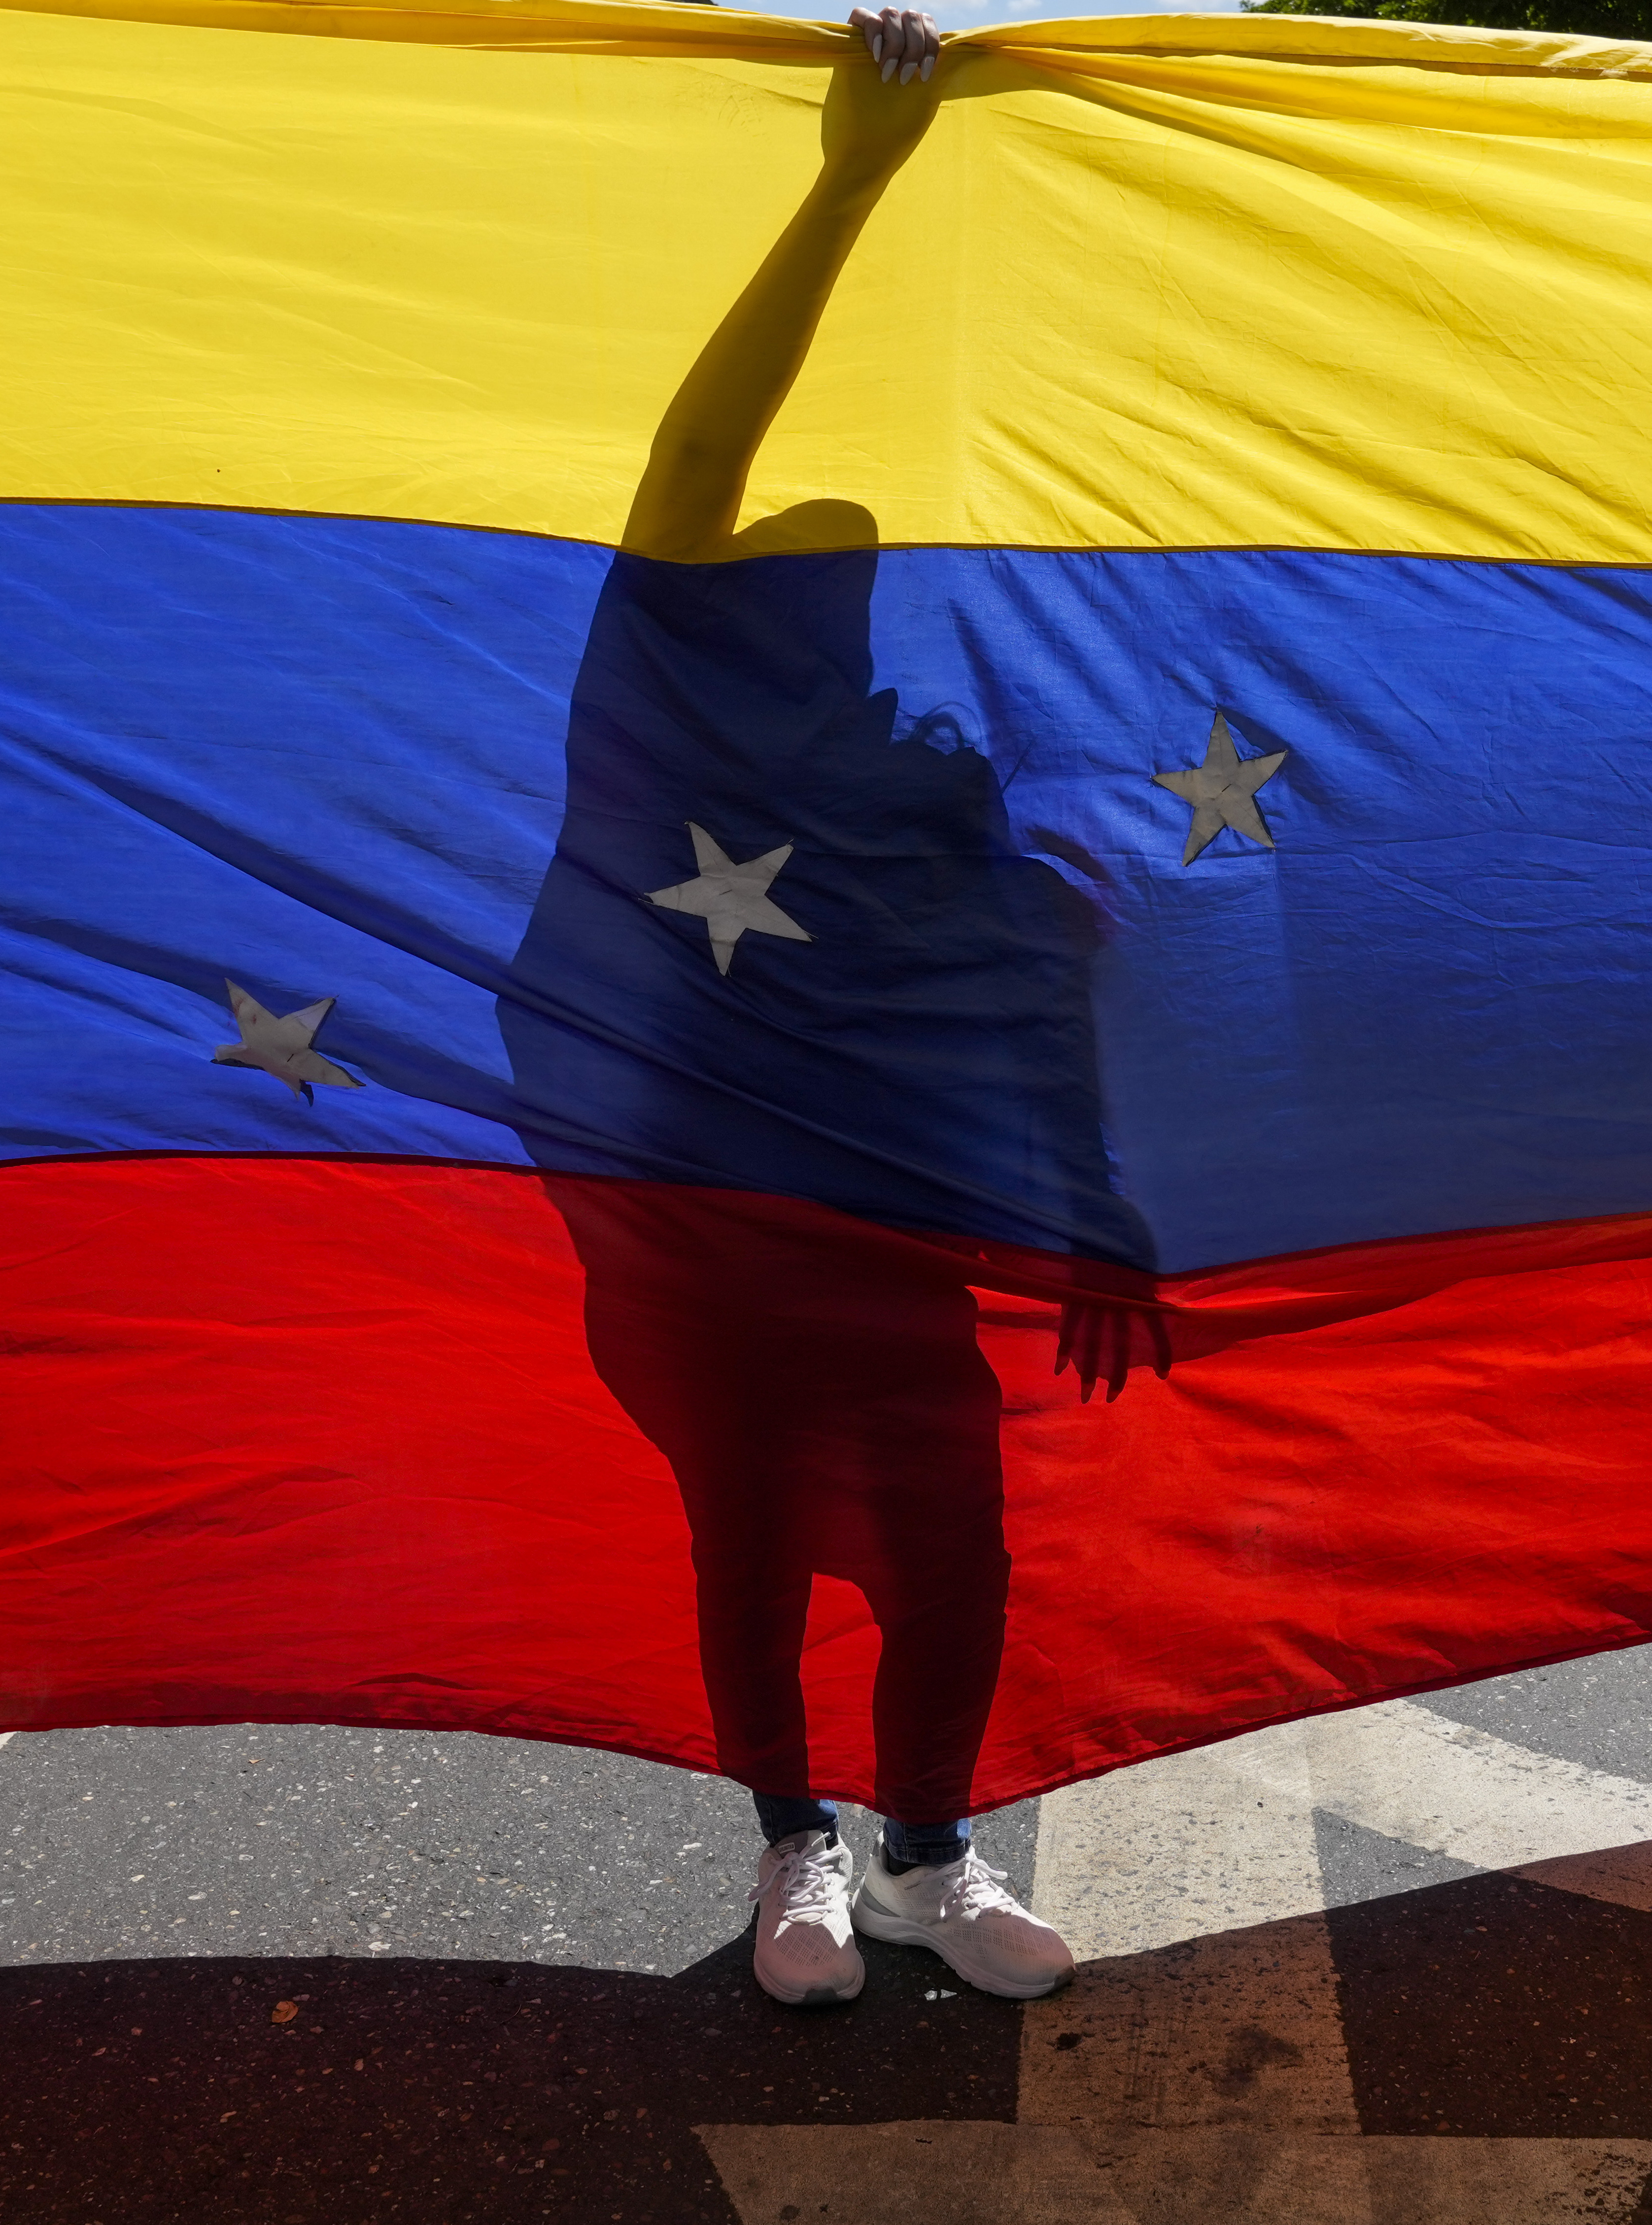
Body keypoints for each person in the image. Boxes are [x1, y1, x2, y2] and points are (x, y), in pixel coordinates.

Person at [502, 7, 1132, 2008]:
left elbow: (1023, 994)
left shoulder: (924, 780)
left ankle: (933, 1855)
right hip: (688, 1215)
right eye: (809, 553)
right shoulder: (660, 697)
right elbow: (700, 453)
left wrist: (1092, 1194)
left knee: (959, 1550)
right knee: (751, 1540)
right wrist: (851, 179)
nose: (829, 565)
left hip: (888, 1223)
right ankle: (797, 1849)